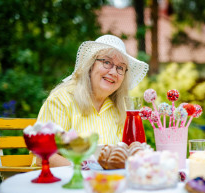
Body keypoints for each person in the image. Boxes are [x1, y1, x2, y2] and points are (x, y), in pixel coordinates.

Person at [36, 35, 149, 167]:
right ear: (90, 65)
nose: (113, 72)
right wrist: (84, 171)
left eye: (120, 68)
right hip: (68, 184)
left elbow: (128, 155)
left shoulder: (120, 110)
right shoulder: (61, 100)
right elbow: (42, 155)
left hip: (109, 183)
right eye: (107, 62)